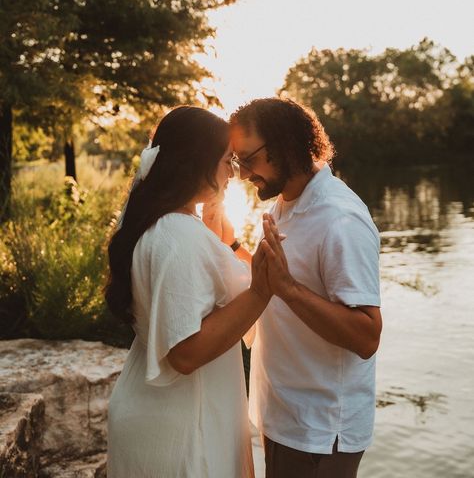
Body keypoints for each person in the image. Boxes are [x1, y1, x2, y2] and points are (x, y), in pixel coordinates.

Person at [106, 106, 270, 478]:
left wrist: (225, 241)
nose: (233, 172)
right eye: (227, 161)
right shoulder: (177, 236)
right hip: (183, 427)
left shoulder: (162, 225)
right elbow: (184, 351)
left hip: (161, 412)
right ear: (199, 163)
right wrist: (260, 292)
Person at [230, 98, 382, 478]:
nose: (244, 173)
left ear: (283, 146)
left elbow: (367, 335)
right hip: (283, 415)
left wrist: (288, 289)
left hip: (320, 431)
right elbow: (278, 282)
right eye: (237, 162)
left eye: (248, 159)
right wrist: (233, 247)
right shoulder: (284, 204)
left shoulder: (340, 219)